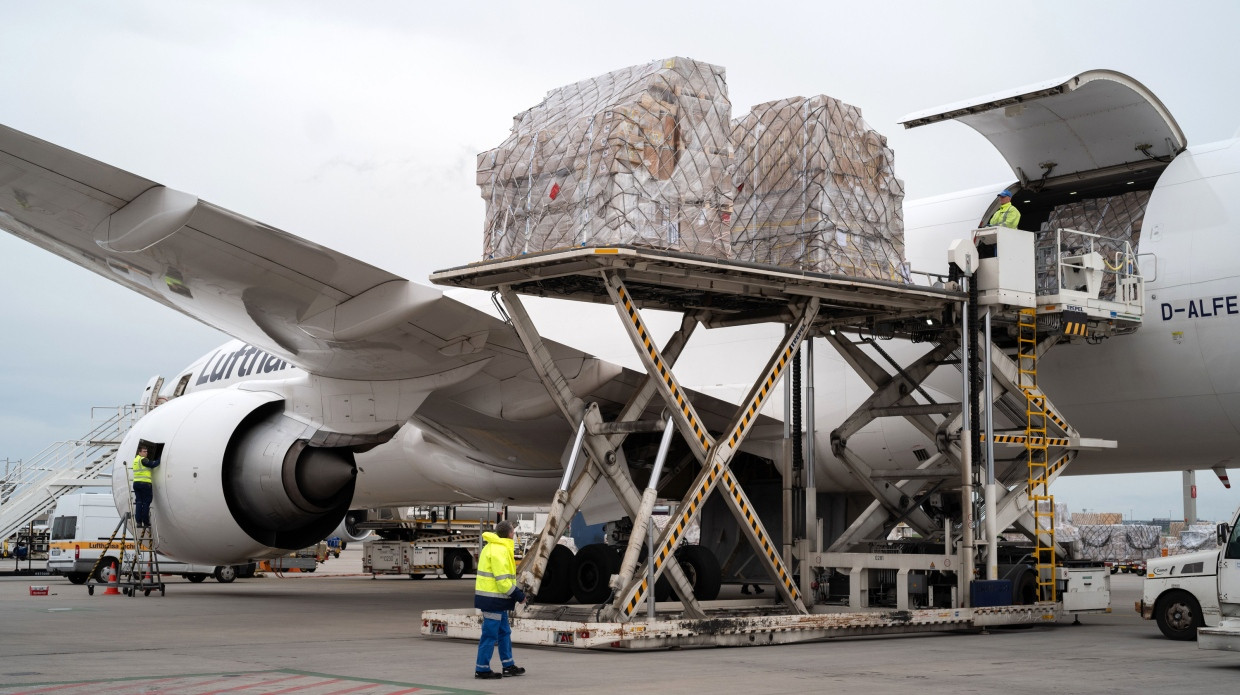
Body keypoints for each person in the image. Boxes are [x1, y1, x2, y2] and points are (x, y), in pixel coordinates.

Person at [473, 520, 527, 679]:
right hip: (493, 600)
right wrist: (519, 595)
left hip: (497, 600)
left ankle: (508, 665)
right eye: (513, 532)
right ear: (510, 534)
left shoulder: (492, 547)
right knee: (490, 634)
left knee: (504, 632)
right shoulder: (499, 551)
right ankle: (482, 669)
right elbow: (503, 581)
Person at [131, 445, 160, 528]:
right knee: (146, 503)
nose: (146, 453)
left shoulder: (135, 460)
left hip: (136, 483)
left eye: (146, 451)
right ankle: (146, 522)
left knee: (139, 503)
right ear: (139, 452)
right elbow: (153, 464)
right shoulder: (143, 460)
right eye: (144, 451)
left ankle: (139, 522)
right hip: (145, 484)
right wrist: (159, 459)